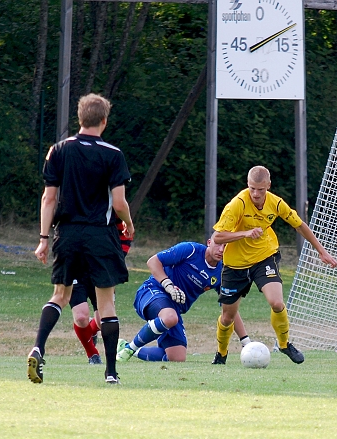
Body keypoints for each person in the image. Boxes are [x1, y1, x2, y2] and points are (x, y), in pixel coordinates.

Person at [29, 93, 134, 385]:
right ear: (104, 121)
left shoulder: (58, 150)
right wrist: (128, 224)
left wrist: (43, 238)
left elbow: (49, 199)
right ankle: (110, 372)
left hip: (68, 234)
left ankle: (38, 347)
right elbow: (119, 202)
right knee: (106, 304)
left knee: (60, 296)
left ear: (79, 118)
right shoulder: (113, 154)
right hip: (101, 235)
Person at [211, 165, 337, 365]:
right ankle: (221, 353)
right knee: (227, 317)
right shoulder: (237, 204)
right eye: (252, 188)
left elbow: (299, 225)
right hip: (235, 264)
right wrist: (245, 233)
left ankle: (284, 344)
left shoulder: (276, 203)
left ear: (268, 186)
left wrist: (321, 251)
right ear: (247, 184)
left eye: (260, 189)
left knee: (277, 303)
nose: (256, 194)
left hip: (264, 256)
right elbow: (218, 237)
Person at [115, 238, 252, 362]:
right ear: (209, 242)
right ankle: (130, 349)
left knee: (177, 357)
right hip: (152, 291)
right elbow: (153, 261)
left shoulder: (222, 272)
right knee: (170, 317)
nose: (221, 250)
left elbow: (229, 310)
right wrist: (168, 285)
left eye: (226, 246)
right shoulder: (190, 250)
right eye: (218, 244)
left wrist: (245, 341)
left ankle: (125, 346)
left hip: (173, 309)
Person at [71, 217, 132, 365]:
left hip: (101, 270)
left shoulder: (111, 208)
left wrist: (115, 259)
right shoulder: (74, 205)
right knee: (81, 317)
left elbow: (126, 232)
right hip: (76, 268)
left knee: (101, 321)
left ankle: (90, 332)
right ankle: (92, 354)